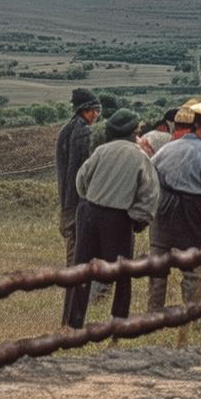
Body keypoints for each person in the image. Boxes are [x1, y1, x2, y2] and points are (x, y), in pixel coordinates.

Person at [62, 109, 160, 327]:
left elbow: (81, 179)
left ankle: (74, 322)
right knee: (122, 272)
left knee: (82, 270)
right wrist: (138, 219)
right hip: (117, 218)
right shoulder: (140, 157)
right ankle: (118, 320)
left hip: (88, 213)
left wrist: (89, 199)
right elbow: (149, 193)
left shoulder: (101, 151)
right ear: (135, 131)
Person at [147, 100, 201, 311]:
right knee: (193, 269)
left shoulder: (167, 149)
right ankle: (192, 313)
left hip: (162, 210)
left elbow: (149, 178)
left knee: (158, 264)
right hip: (192, 212)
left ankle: (153, 310)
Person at [56, 88, 102, 324]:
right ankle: (70, 320)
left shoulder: (66, 130)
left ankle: (69, 317)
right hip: (78, 206)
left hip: (67, 204)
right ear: (85, 110)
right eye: (95, 110)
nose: (97, 115)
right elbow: (83, 173)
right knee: (77, 265)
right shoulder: (83, 133)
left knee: (73, 264)